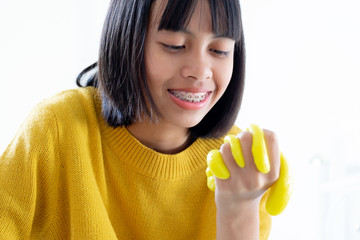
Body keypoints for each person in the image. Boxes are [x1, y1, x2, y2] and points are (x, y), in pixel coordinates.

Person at [0, 0, 281, 239]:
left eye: (219, 50)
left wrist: (239, 206)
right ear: (127, 39)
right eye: (174, 45)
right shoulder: (57, 129)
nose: (200, 71)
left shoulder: (241, 166)